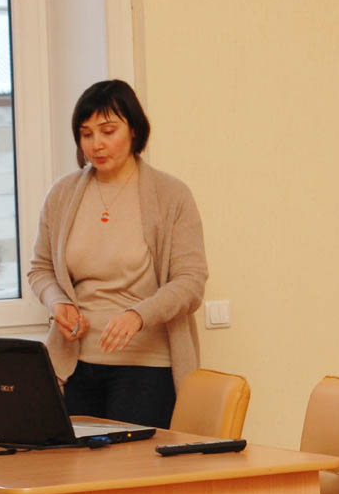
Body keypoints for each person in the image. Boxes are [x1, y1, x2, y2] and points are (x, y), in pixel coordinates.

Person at [28, 79, 207, 429]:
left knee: (129, 461)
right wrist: (57, 303)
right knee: (65, 459)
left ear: (134, 131)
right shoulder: (62, 194)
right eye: (86, 134)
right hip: (75, 364)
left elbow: (191, 282)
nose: (96, 144)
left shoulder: (171, 195)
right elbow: (41, 269)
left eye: (108, 131)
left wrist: (138, 315)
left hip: (148, 366)